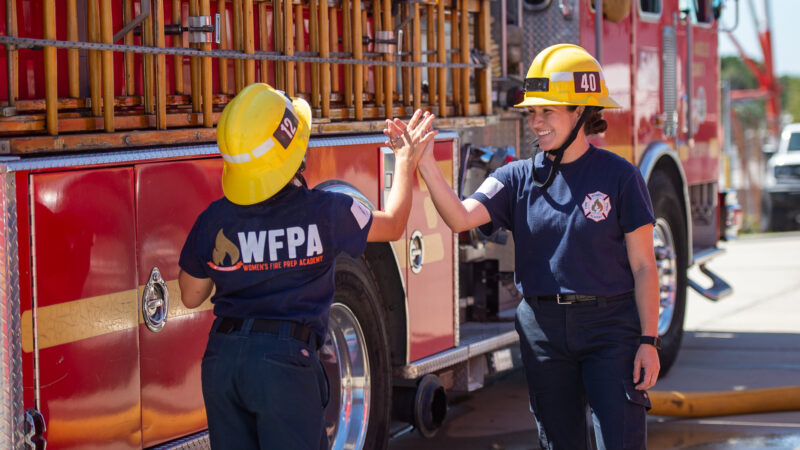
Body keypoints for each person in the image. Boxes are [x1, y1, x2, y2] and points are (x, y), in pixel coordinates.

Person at [391, 44, 660, 449]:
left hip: (612, 331)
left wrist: (648, 342)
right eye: (532, 113)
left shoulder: (621, 177)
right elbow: (461, 218)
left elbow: (644, 266)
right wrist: (425, 164)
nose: (535, 123)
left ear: (581, 112)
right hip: (543, 332)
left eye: (546, 112)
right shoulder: (515, 177)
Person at [178, 83, 437, 450]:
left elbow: (191, 295)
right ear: (295, 156)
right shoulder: (327, 211)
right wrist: (405, 161)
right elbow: (394, 224)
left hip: (223, 362)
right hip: (285, 366)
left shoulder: (214, 219)